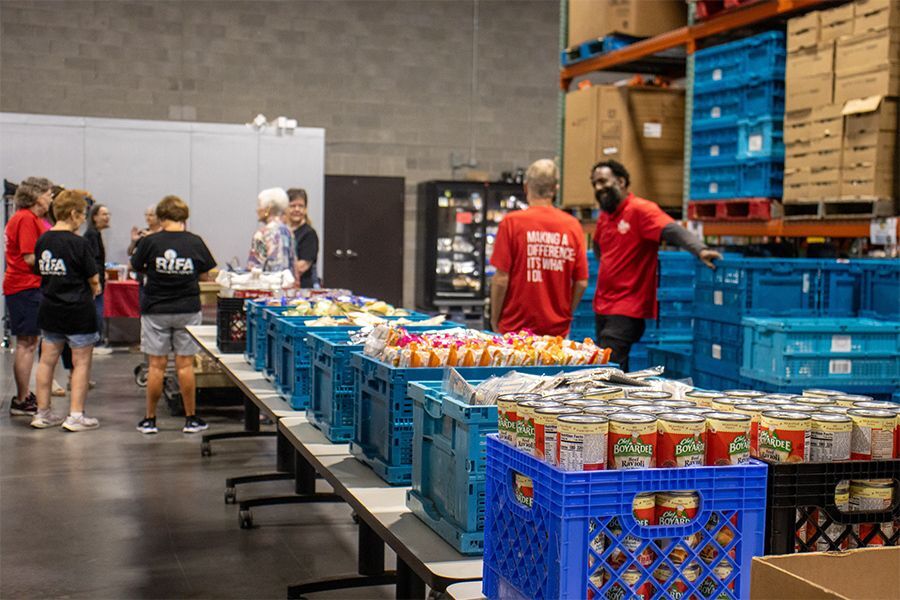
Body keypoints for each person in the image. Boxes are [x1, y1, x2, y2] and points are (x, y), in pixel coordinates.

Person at [590, 159, 722, 371]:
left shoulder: (641, 210)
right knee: (611, 367)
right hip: (603, 304)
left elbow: (671, 229)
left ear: (621, 181)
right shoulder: (605, 216)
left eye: (603, 181)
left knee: (606, 368)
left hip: (627, 306)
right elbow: (598, 246)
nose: (598, 188)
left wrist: (700, 249)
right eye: (595, 183)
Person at [130, 195, 216, 434]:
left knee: (156, 366)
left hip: (155, 309)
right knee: (185, 365)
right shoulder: (195, 242)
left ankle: (150, 419)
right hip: (187, 309)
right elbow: (206, 274)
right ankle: (191, 418)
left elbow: (136, 267)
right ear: (184, 217)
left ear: (161, 216)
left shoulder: (150, 242)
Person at [489, 159, 588, 337]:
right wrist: (565, 314)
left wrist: (494, 320)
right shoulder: (572, 226)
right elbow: (581, 282)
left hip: (515, 330)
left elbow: (501, 279)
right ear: (555, 189)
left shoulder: (511, 223)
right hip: (556, 331)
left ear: (526, 187)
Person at [30, 190, 102, 430]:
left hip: (50, 308)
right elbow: (93, 279)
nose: (83, 220)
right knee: (81, 362)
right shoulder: (78, 243)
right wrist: (95, 288)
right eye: (82, 215)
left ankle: (42, 413)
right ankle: (76, 415)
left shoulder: (42, 240)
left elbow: (39, 271)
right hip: (78, 310)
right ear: (73, 214)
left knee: (46, 361)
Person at [3, 176, 53, 416]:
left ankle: (24, 395)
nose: (51, 198)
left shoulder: (30, 218)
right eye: (48, 194)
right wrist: (54, 269)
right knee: (25, 344)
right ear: (36, 196)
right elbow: (29, 257)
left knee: (29, 342)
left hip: (26, 286)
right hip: (24, 286)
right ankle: (22, 399)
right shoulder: (25, 219)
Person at [83, 203, 111, 352]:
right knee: (97, 311)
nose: (107, 218)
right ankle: (96, 341)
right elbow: (92, 259)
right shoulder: (92, 235)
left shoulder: (96, 234)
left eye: (108, 214)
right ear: (94, 217)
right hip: (95, 281)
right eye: (103, 214)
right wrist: (96, 280)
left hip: (99, 277)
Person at [248, 187, 296, 273]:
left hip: (268, 284)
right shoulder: (289, 232)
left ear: (268, 209)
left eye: (259, 205)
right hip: (287, 285)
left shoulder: (261, 234)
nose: (257, 210)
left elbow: (255, 267)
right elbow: (294, 266)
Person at [285, 188, 319, 288]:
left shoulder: (309, 234)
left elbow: (301, 267)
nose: (297, 209)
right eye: (292, 206)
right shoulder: (283, 232)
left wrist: (275, 272)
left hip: (302, 290)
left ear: (305, 209)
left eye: (301, 206)